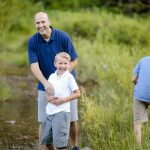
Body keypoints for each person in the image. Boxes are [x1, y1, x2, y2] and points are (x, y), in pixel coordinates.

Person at [28, 12, 80, 150]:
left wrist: (62, 78)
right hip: (45, 85)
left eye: (43, 22)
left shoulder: (63, 37)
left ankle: (75, 146)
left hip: (66, 85)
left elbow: (74, 60)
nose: (41, 25)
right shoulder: (33, 41)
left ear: (49, 22)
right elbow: (34, 65)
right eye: (37, 23)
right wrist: (46, 83)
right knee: (44, 121)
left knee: (71, 120)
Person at [40, 52, 80, 150]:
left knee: (60, 145)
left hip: (62, 113)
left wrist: (63, 100)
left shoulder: (69, 77)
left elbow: (77, 93)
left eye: (65, 63)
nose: (63, 66)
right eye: (60, 63)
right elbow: (47, 91)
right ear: (55, 64)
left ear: (69, 64)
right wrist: (48, 98)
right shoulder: (51, 76)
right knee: (47, 141)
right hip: (49, 112)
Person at [132, 56, 150, 147]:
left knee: (137, 123)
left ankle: (138, 147)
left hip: (140, 95)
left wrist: (140, 86)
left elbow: (133, 79)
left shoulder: (142, 60)